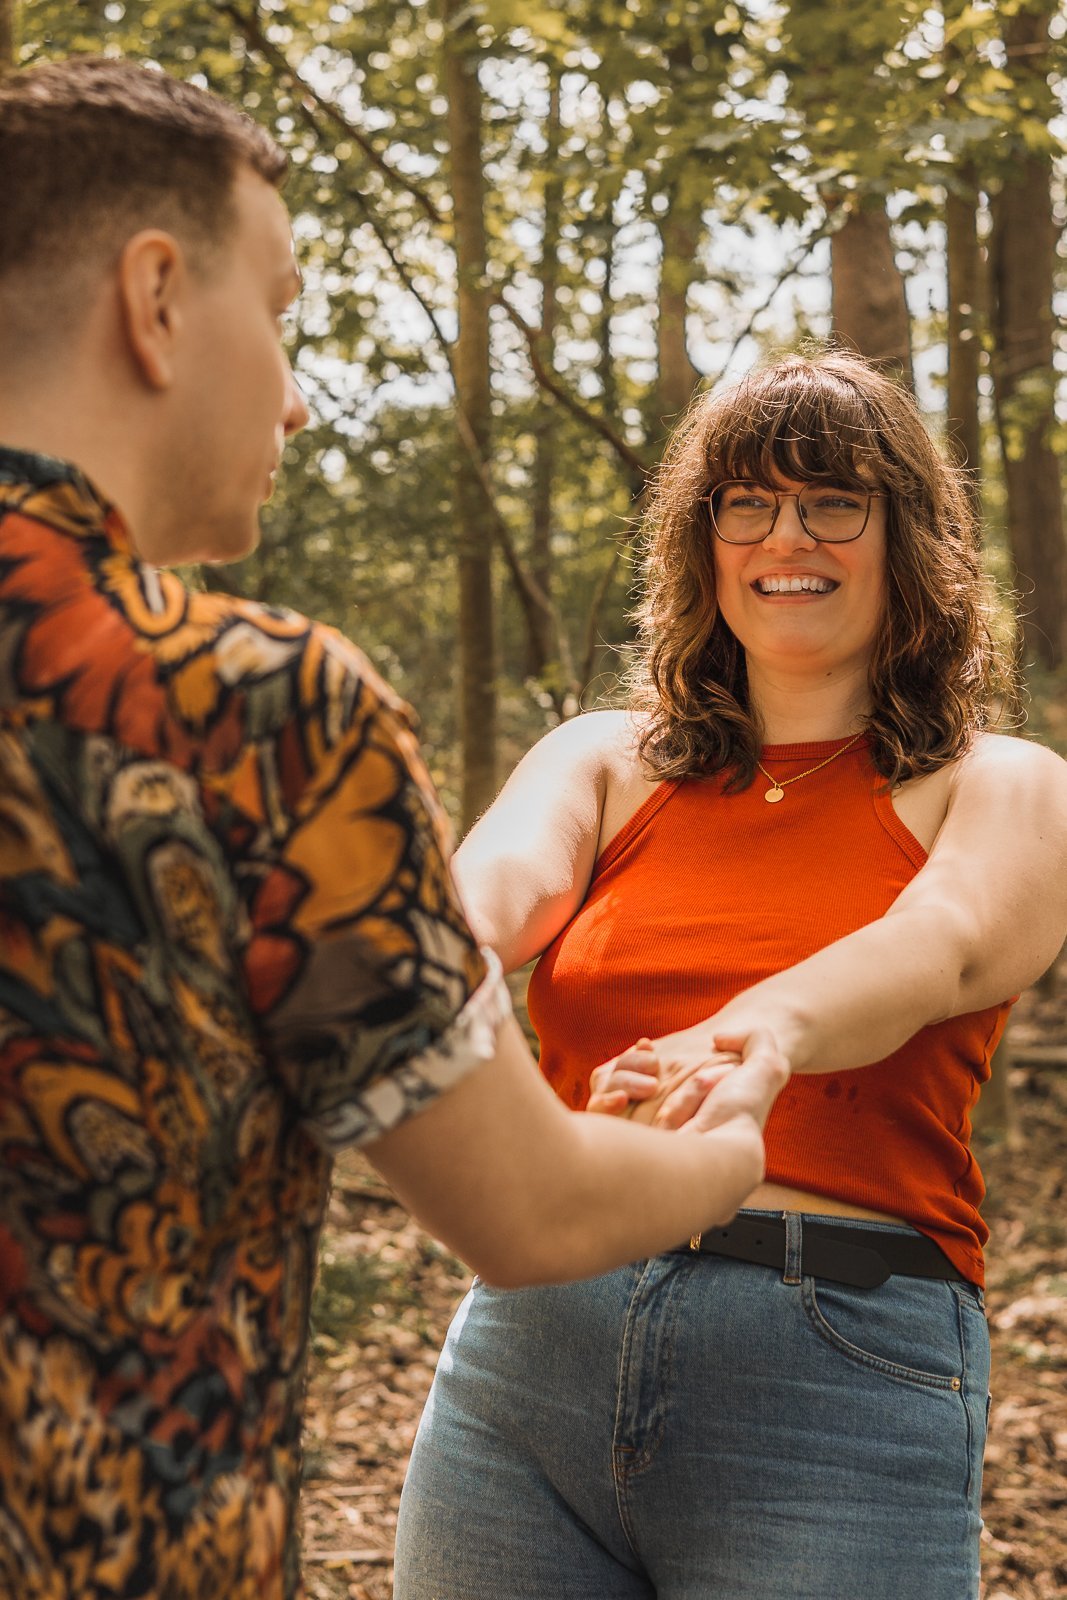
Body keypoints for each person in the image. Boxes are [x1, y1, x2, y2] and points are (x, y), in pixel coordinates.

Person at [0, 58, 791, 1600]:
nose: (295, 393)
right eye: (278, 310)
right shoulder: (258, 708)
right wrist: (728, 1142)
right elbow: (529, 1207)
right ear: (154, 300)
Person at [394, 350, 1067, 1600]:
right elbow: (493, 892)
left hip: (834, 1371)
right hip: (533, 1351)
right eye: (744, 503)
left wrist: (756, 1035)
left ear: (906, 539)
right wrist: (403, 964)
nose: (784, 537)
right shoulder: (603, 760)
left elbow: (942, 940)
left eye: (831, 502)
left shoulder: (1000, 782)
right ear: (701, 543)